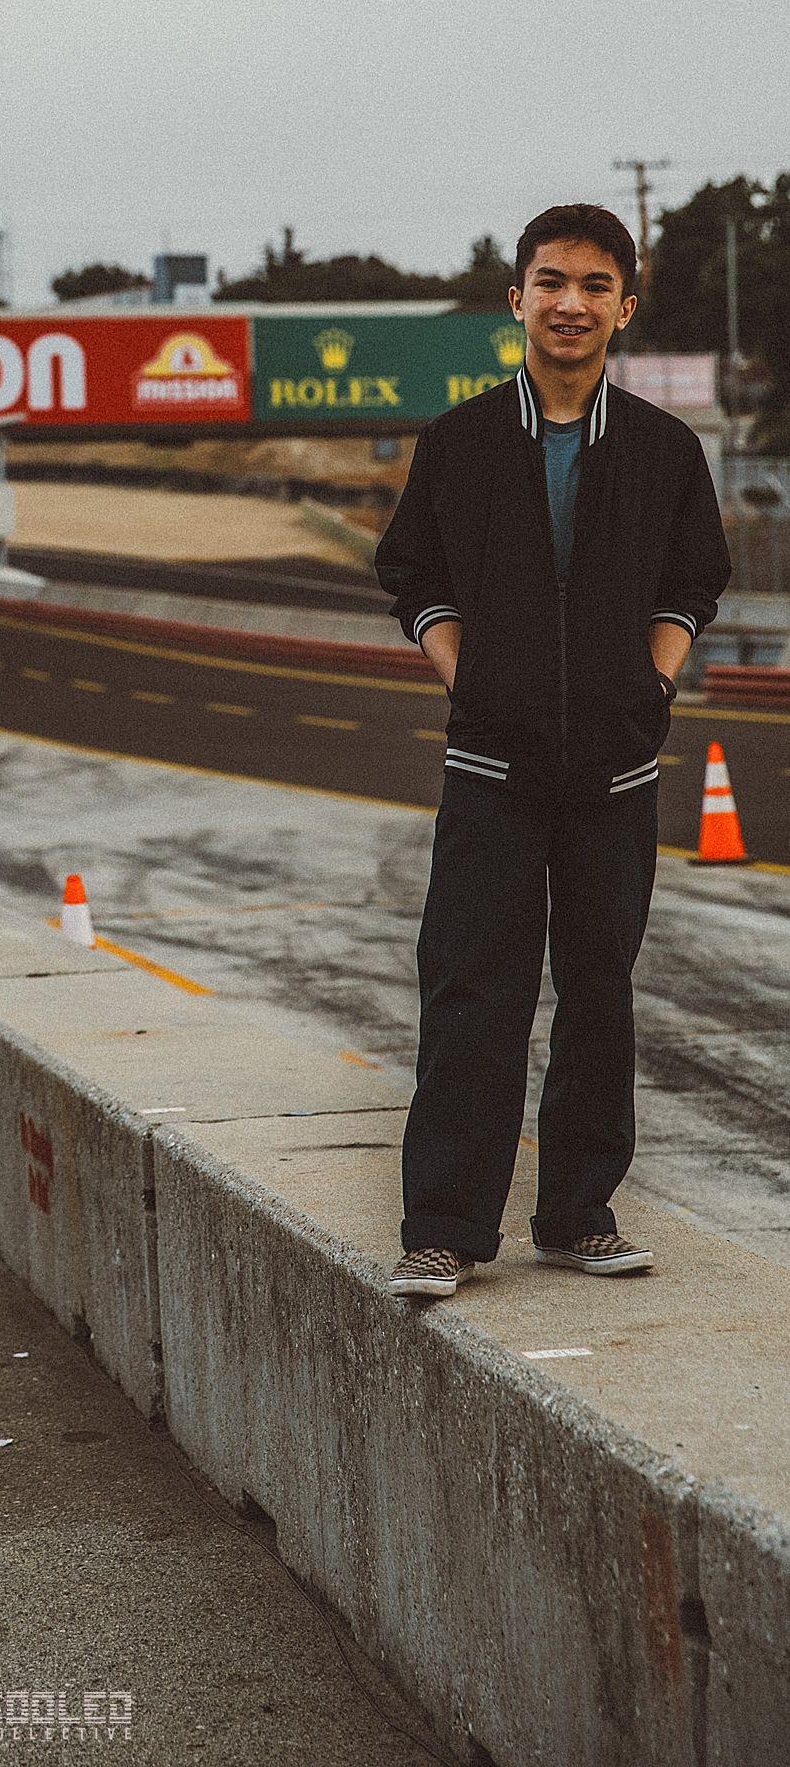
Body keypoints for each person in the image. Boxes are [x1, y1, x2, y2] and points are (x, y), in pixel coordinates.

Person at [374, 202, 731, 1298]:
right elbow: (413, 572)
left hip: (614, 774)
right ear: (515, 298)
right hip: (492, 772)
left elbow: (692, 580)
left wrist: (653, 675)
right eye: (549, 281)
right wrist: (462, 669)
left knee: (598, 990)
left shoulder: (667, 451)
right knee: (473, 991)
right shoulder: (463, 441)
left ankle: (577, 1217)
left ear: (626, 303)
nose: (569, 303)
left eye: (592, 284)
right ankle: (442, 1228)